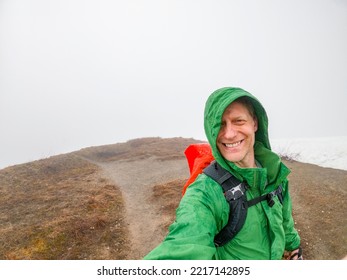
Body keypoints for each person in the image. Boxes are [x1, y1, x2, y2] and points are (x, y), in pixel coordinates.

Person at [144, 87, 302, 260]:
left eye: (238, 121)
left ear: (255, 123)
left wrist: (293, 248)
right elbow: (184, 245)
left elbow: (285, 222)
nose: (229, 134)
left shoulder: (274, 175)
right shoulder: (205, 192)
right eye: (220, 124)